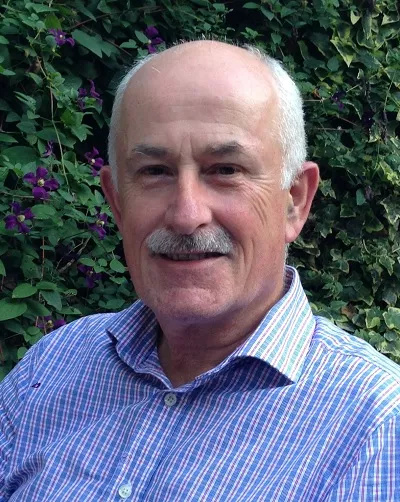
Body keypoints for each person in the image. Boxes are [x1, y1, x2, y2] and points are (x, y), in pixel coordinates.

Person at [0, 41, 399, 502]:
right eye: (155, 171)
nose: (186, 215)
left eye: (226, 170)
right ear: (117, 203)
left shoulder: (376, 433)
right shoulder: (51, 367)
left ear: (294, 201)